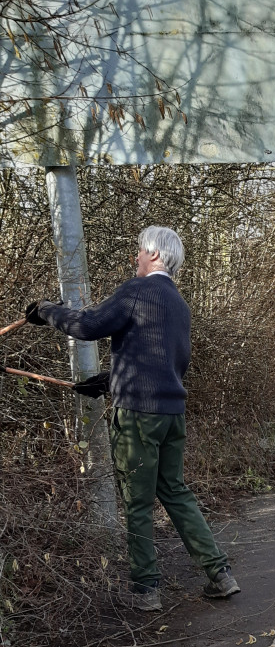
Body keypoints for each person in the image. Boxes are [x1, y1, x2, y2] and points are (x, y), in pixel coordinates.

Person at [25, 225, 239, 613]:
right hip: (172, 414)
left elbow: (89, 327)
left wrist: (45, 311)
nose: (136, 258)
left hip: (138, 417)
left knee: (137, 502)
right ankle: (220, 574)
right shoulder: (178, 304)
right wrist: (110, 381)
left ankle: (145, 591)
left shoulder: (136, 291)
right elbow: (170, 363)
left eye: (140, 251)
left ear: (155, 255)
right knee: (174, 491)